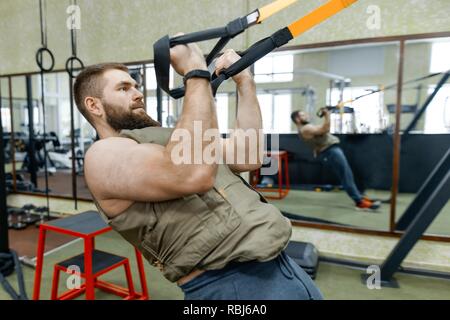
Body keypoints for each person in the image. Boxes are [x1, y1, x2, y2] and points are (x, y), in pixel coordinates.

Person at [74, 38, 323, 300]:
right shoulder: (102, 156)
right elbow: (193, 174)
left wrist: (244, 83)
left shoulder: (171, 138)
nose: (137, 94)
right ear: (94, 105)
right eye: (123, 88)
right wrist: (195, 70)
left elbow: (247, 156)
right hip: (230, 284)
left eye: (136, 86)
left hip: (283, 268)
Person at [291, 108, 380, 211]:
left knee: (347, 175)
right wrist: (327, 115)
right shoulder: (305, 129)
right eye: (303, 115)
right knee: (346, 176)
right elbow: (325, 129)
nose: (306, 116)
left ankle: (359, 198)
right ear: (297, 119)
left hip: (332, 150)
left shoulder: (306, 128)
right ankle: (359, 202)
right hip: (331, 151)